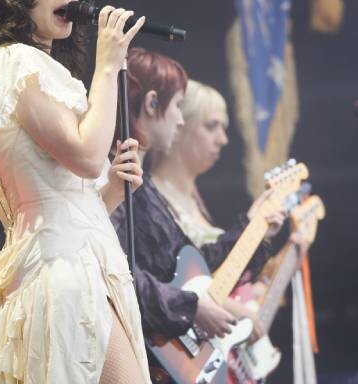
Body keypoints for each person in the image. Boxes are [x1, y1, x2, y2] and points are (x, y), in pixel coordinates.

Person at [0, 0, 150, 382]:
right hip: (63, 276)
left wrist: (112, 189)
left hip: (79, 267)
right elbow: (85, 154)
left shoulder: (41, 67)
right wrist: (109, 64)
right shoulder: (12, 62)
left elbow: (72, 195)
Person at [110, 49, 286, 349]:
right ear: (152, 103)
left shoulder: (143, 187)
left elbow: (193, 265)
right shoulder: (113, 180)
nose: (178, 119)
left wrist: (252, 227)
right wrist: (190, 307)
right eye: (178, 105)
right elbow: (112, 273)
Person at [149, 80, 312, 382]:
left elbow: (212, 276)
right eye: (211, 126)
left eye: (223, 128)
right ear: (181, 123)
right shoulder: (155, 201)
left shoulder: (195, 200)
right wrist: (236, 309)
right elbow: (167, 280)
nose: (223, 139)